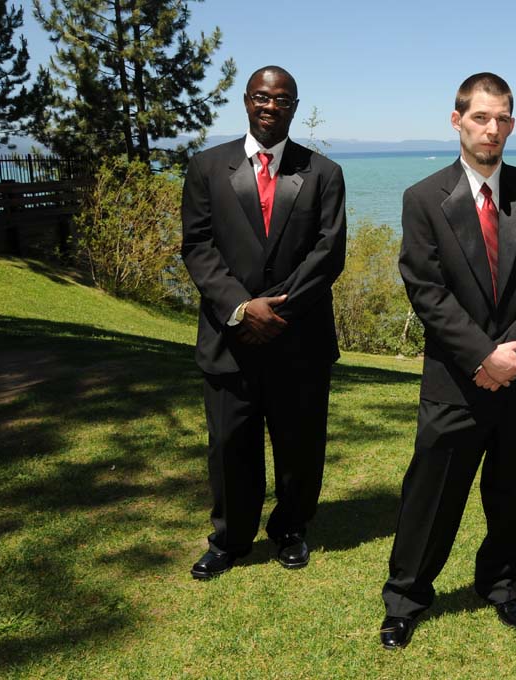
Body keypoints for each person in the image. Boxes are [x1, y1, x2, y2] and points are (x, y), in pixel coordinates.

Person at [379, 73, 516, 649]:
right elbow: (426, 289)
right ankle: (406, 598)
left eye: (503, 118)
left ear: (513, 124)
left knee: (514, 491)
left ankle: (502, 585)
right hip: (455, 380)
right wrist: (483, 355)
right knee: (431, 496)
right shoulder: (423, 198)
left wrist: (510, 355)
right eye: (481, 117)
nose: (492, 129)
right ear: (456, 119)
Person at [181, 66, 347, 580]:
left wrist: (278, 309)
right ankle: (230, 539)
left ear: (294, 106)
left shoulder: (323, 173)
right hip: (229, 336)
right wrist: (241, 307)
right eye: (261, 97)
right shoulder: (208, 168)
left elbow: (329, 252)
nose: (270, 106)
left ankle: (291, 528)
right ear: (247, 102)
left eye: (282, 99)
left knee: (300, 444)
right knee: (230, 445)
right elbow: (198, 246)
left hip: (299, 337)